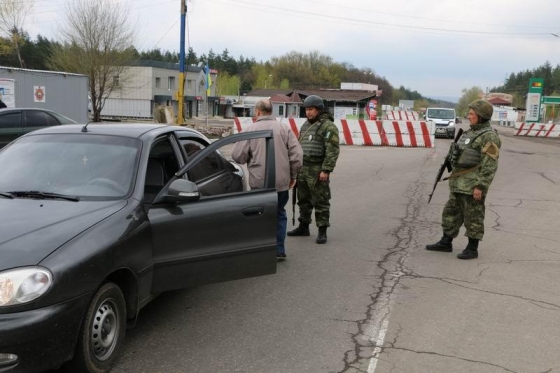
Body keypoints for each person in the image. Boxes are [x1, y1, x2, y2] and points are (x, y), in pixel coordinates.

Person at [426, 99, 501, 259]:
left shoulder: (489, 137)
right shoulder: (469, 133)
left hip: (472, 185)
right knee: (450, 213)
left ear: (481, 116)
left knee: (473, 216)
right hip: (458, 183)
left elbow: (489, 165)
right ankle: (446, 242)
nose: (468, 116)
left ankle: (472, 248)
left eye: (472, 114)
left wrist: (480, 186)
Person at [231, 99, 303, 260]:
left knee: (259, 215)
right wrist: (292, 176)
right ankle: (279, 249)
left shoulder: (249, 130)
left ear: (257, 112)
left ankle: (260, 249)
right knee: (279, 214)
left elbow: (238, 157)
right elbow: (297, 156)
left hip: (259, 183)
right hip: (281, 183)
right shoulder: (285, 129)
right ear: (271, 112)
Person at [287, 95, 340, 244]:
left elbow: (332, 150)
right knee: (303, 200)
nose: (308, 112)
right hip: (303, 168)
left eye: (311, 109)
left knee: (321, 201)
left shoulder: (328, 126)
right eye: (306, 110)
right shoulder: (305, 125)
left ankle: (322, 230)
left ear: (319, 109)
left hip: (317, 169)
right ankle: (304, 226)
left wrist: (326, 170)